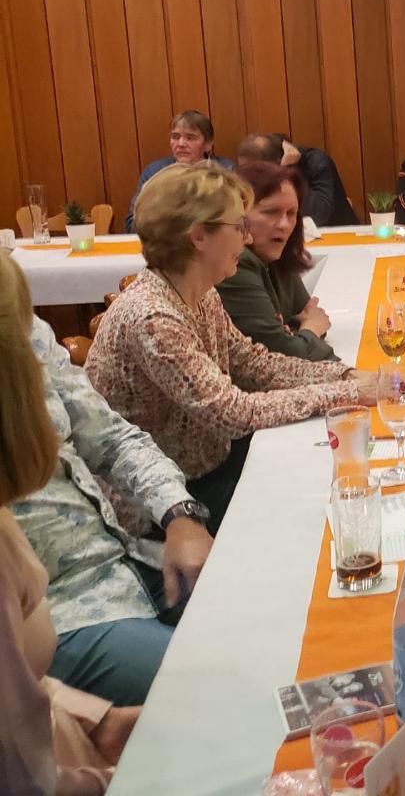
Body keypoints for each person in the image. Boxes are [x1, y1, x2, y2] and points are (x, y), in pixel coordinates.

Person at [86, 164, 375, 531]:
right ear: (198, 236)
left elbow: (254, 364)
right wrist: (348, 393)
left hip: (207, 464)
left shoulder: (200, 293)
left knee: (333, 472)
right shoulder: (154, 318)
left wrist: (345, 375)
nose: (248, 238)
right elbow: (233, 413)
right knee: (315, 506)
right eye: (238, 227)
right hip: (160, 504)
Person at [8, 251, 210, 709]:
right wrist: (79, 717)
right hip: (58, 613)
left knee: (273, 612)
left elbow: (112, 438)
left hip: (125, 561)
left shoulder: (23, 330)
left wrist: (180, 514)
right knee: (205, 690)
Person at [0, 251, 145, 792]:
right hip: (87, 604)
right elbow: (26, 780)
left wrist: (96, 721)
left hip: (117, 559)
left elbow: (18, 695)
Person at [217, 161, 336, 362]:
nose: (284, 224)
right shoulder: (235, 263)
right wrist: (310, 329)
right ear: (238, 215)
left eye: (291, 213)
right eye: (271, 212)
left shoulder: (275, 254)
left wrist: (299, 332)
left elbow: (304, 313)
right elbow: (283, 355)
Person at [124, 110, 233, 232]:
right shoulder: (154, 172)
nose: (181, 144)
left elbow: (236, 219)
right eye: (175, 137)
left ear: (208, 144)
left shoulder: (228, 171)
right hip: (166, 241)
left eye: (190, 138)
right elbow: (132, 224)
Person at [234, 133, 358, 227]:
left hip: (339, 237)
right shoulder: (248, 170)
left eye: (255, 171)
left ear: (276, 163)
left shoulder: (317, 162)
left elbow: (318, 216)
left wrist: (289, 172)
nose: (249, 177)